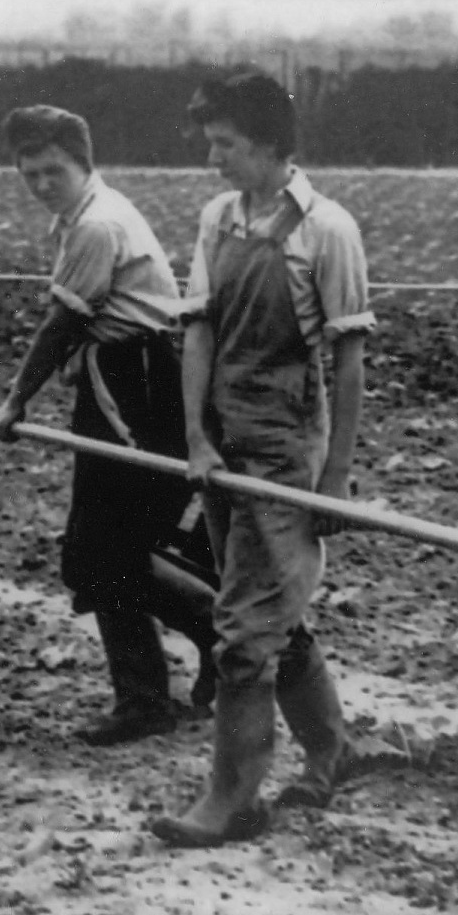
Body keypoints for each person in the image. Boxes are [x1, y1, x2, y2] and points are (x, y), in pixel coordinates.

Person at [151, 69, 374, 848]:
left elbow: (347, 360)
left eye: (226, 145)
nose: (213, 160)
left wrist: (335, 476)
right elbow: (198, 331)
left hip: (285, 441)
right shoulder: (218, 218)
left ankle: (231, 798)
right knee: (272, 605)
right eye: (209, 143)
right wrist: (195, 436)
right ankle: (334, 748)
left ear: (273, 147)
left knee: (246, 632)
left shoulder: (327, 231)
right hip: (223, 433)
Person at [0, 105, 219, 745]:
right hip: (114, 377)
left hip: (134, 385)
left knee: (102, 552)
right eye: (29, 174)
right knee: (102, 552)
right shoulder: (79, 216)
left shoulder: (98, 223)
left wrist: (14, 401)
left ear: (83, 164)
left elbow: (61, 326)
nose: (40, 186)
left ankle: (199, 648)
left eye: (52, 172)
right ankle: (154, 687)